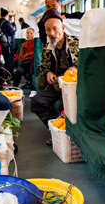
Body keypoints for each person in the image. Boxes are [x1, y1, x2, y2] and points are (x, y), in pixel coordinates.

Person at [30, 9, 79, 143]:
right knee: (36, 102)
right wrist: (48, 73)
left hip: (73, 85)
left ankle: (68, 134)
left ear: (62, 28)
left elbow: (86, 63)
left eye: (55, 29)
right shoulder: (47, 48)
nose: (52, 33)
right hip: (57, 84)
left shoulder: (76, 43)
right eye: (48, 30)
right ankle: (55, 129)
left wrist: (75, 67)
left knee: (65, 104)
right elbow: (43, 66)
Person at [0, 8, 16, 75]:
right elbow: (11, 33)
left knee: (1, 61)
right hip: (7, 46)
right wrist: (14, 30)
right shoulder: (6, 23)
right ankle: (9, 76)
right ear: (7, 15)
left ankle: (3, 76)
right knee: (9, 61)